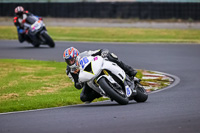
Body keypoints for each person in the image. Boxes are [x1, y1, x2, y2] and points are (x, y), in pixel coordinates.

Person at [63, 47, 137, 103]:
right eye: (68, 61)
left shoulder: (85, 54)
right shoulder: (69, 71)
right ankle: (103, 92)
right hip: (89, 80)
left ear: (76, 57)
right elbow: (77, 84)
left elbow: (99, 51)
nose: (70, 62)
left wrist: (103, 52)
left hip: (98, 66)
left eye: (72, 60)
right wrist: (77, 81)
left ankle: (129, 70)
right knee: (83, 97)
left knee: (111, 56)